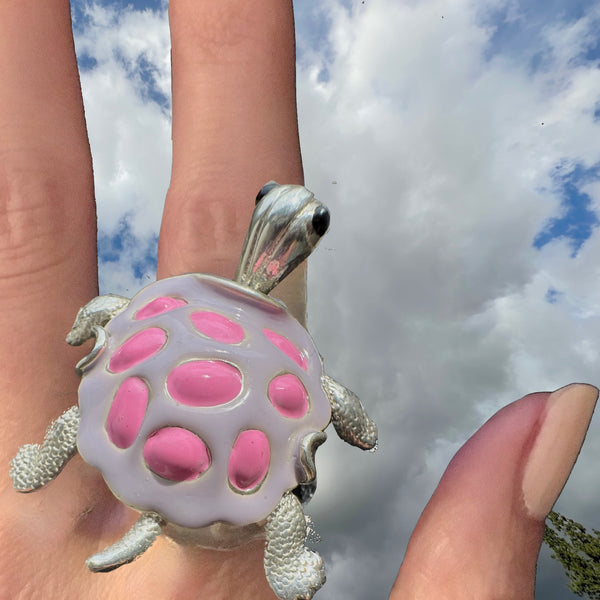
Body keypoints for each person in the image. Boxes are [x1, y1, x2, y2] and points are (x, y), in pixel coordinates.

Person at [0, 1, 596, 598]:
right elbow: (334, 402)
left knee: (82, 421)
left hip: (145, 420)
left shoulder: (164, 311)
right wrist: (359, 429)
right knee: (279, 510)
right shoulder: (292, 358)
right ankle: (281, 564)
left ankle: (48, 462)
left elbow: (107, 313)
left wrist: (87, 327)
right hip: (237, 468)